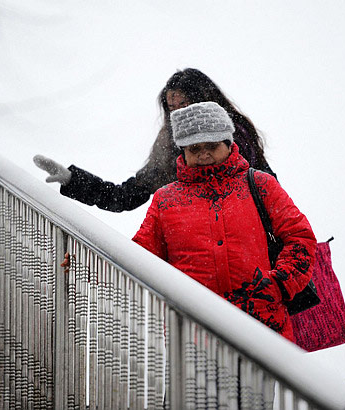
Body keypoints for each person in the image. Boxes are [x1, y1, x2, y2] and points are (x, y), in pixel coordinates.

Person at [132, 101, 316, 342]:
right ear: (182, 151)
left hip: (262, 331)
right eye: (194, 148)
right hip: (193, 332)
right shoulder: (165, 200)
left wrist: (280, 284)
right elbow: (136, 257)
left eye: (212, 145)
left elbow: (300, 237)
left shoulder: (261, 185)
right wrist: (85, 267)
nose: (204, 154)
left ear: (229, 143)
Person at [33, 68, 276, 212]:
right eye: (172, 108)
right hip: (192, 252)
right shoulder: (169, 146)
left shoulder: (235, 133)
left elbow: (269, 191)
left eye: (184, 104)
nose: (179, 114)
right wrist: (73, 180)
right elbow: (125, 195)